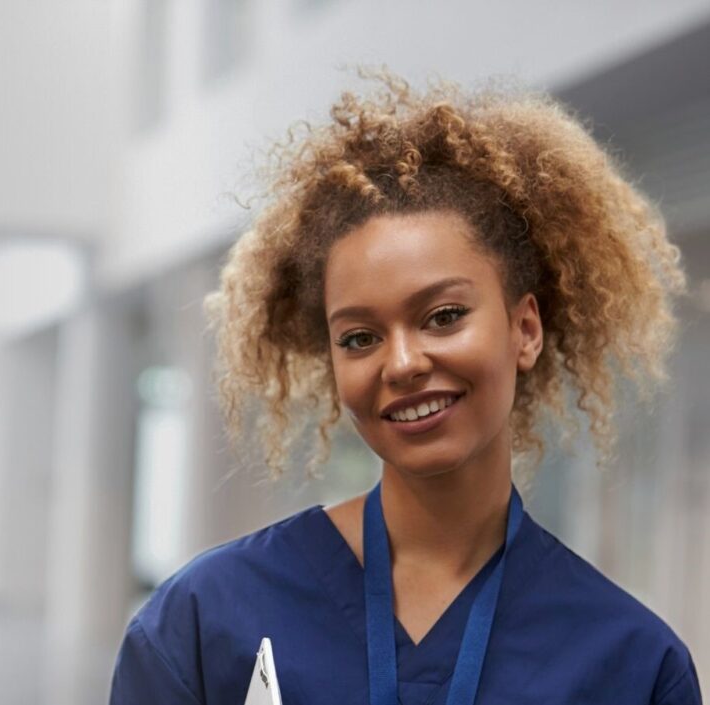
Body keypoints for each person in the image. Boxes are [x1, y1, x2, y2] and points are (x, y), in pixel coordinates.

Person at [108, 71, 701, 705]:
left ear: (525, 330)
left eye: (443, 316)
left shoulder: (631, 665)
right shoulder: (206, 621)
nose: (402, 363)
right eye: (359, 337)